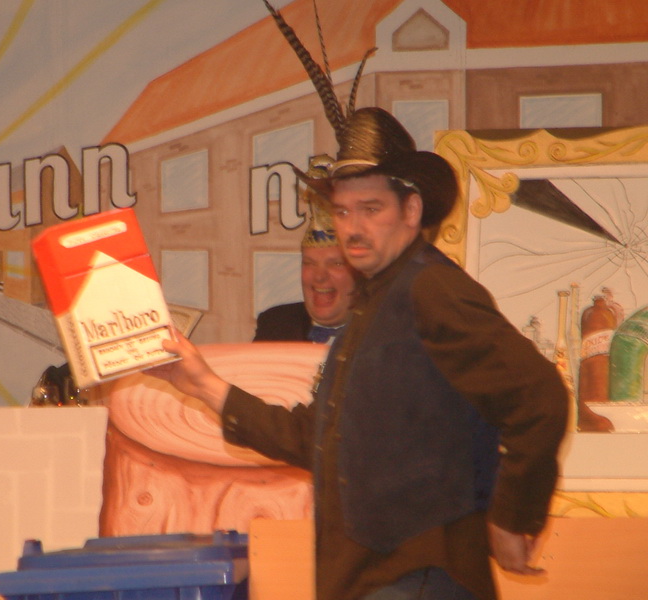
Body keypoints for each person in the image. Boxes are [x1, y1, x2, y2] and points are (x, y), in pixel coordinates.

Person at [148, 4, 569, 599]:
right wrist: (203, 385)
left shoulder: (430, 289)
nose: (352, 227)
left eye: (370, 209)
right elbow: (320, 438)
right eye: (343, 210)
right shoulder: (373, 308)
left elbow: (539, 397)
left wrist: (512, 516)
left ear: (412, 209)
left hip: (416, 578)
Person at [255, 168, 357, 344]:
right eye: (309, 263)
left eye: (336, 264)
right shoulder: (275, 324)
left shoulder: (387, 331)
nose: (319, 276)